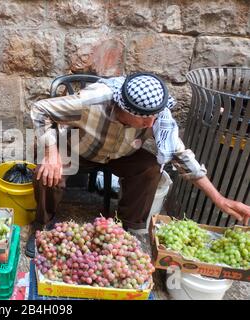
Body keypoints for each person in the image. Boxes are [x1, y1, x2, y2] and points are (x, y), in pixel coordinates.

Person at [25, 72, 250, 258]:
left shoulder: (157, 115)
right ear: (124, 108)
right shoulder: (92, 103)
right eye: (143, 119)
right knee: (47, 171)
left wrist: (220, 199)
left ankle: (127, 228)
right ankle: (42, 223)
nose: (150, 124)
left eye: (153, 117)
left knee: (150, 168)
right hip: (77, 148)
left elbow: (181, 156)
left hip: (121, 154)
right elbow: (40, 109)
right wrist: (50, 152)